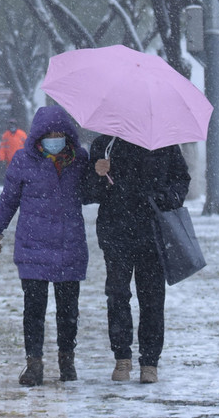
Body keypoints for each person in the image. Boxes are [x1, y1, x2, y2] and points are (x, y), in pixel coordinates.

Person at [0, 105, 89, 387]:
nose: (54, 138)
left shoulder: (80, 159)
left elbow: (93, 193)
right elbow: (8, 199)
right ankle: (34, 365)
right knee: (33, 310)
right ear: (38, 136)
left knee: (68, 311)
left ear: (68, 134)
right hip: (33, 246)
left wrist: (102, 173)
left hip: (70, 245)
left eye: (59, 133)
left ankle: (67, 361)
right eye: (48, 133)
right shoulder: (22, 160)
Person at [85, 135, 190, 384]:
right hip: (116, 232)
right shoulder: (105, 144)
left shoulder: (163, 141)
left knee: (152, 297)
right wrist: (98, 174)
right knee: (117, 294)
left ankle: (150, 361)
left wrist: (161, 199)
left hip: (152, 233)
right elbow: (87, 193)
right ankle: (122, 357)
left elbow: (181, 181)